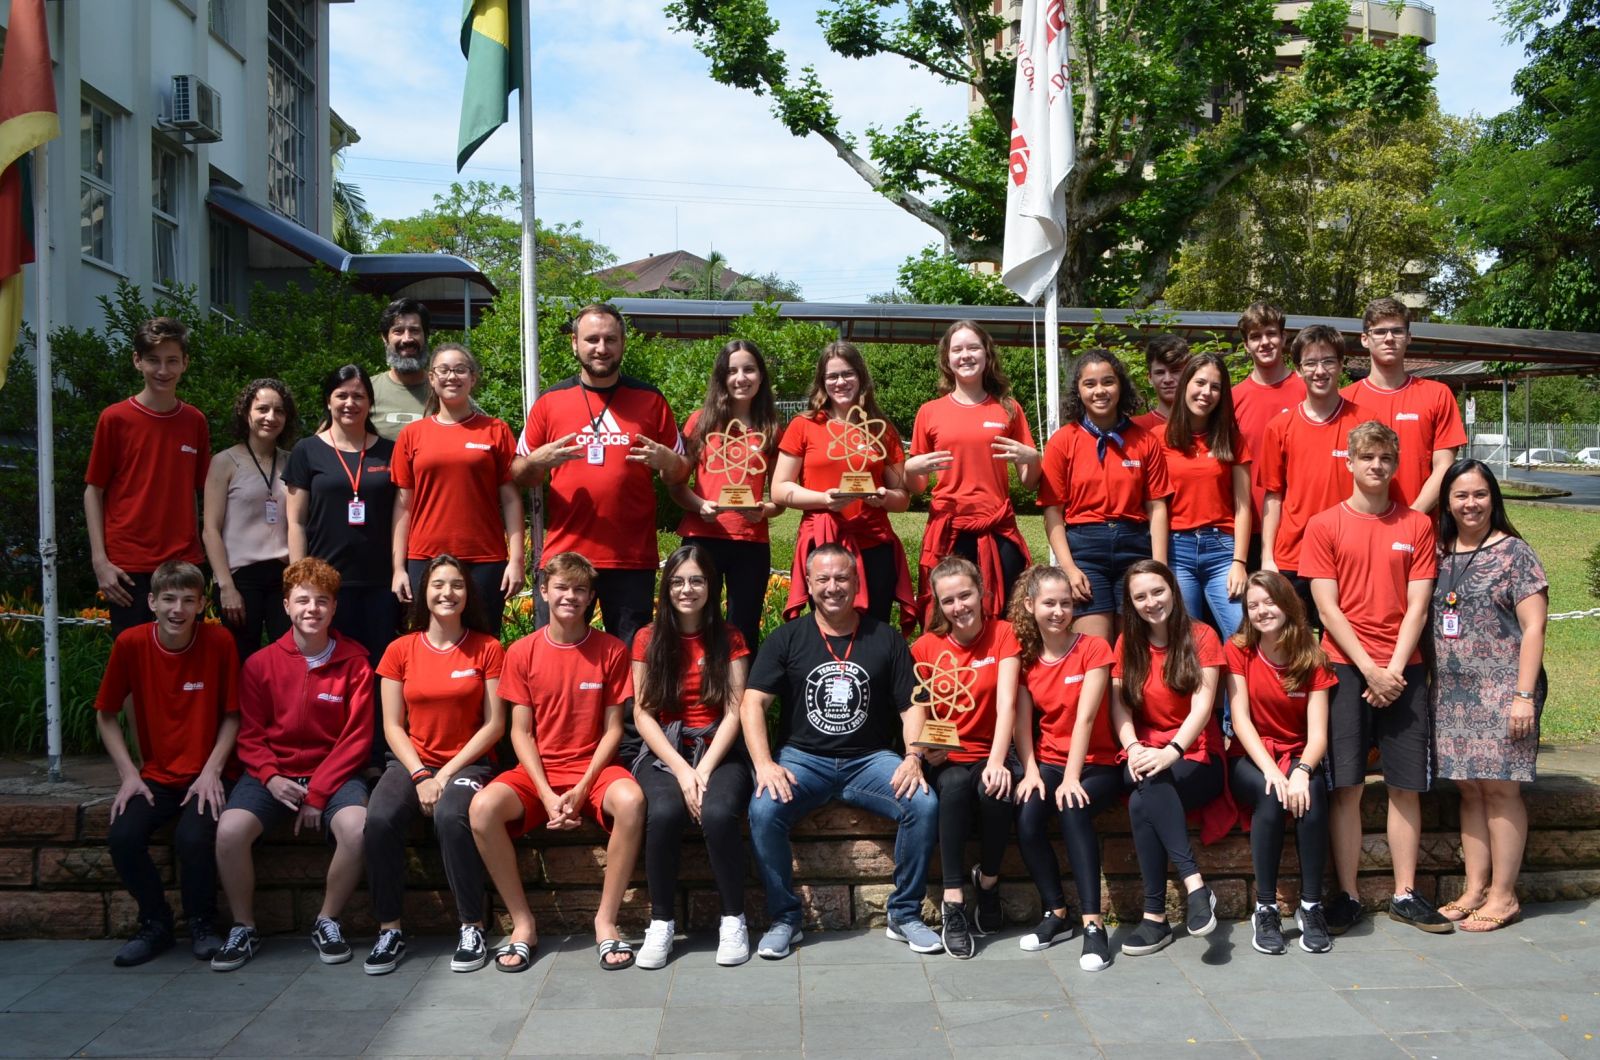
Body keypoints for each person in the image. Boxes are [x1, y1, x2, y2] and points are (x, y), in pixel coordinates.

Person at [742, 544, 939, 959]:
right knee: (763, 809)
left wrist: (912, 757)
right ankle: (785, 919)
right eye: (824, 579)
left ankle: (904, 914)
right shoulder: (788, 637)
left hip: (869, 759)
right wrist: (763, 764)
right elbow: (752, 703)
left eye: (842, 578)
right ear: (809, 585)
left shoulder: (884, 638)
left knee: (922, 803)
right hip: (803, 759)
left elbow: (912, 705)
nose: (833, 587)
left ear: (857, 583)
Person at [1302, 421, 1448, 935]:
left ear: (1396, 463)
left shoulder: (1416, 525)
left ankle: (1406, 894)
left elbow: (1418, 606)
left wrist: (1392, 670)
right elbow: (1326, 607)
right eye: (1367, 458)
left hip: (1403, 669)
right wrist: (1368, 668)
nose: (1377, 467)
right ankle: (1346, 894)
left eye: (1386, 458)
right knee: (1347, 788)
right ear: (1350, 462)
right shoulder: (1324, 525)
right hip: (1345, 666)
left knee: (1406, 786)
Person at [468, 552, 645, 971]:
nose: (571, 596)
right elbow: (519, 732)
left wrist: (583, 786)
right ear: (543, 592)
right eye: (562, 587)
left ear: (591, 598)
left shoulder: (611, 650)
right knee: (482, 809)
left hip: (594, 768)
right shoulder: (523, 651)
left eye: (580, 589)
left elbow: (614, 730)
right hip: (538, 772)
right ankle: (523, 923)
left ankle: (606, 921)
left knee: (633, 801)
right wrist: (547, 793)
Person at [211, 558, 374, 971]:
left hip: (333, 775)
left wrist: (317, 793)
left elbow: (356, 739)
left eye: (322, 601)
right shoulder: (261, 664)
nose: (312, 609)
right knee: (229, 832)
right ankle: (243, 926)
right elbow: (250, 735)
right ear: (285, 605)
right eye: (302, 600)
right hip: (272, 774)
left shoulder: (355, 661)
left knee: (357, 830)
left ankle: (327, 919)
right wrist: (271, 777)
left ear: (335, 607)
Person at [362, 554, 506, 975]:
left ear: (468, 594)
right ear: (424, 593)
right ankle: (389, 927)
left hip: (470, 764)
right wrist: (421, 773)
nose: (448, 593)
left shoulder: (488, 648)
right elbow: (391, 725)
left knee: (449, 815)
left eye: (457, 585)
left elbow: (495, 724)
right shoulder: (399, 650)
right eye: (438, 584)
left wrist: (444, 775)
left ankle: (471, 925)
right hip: (411, 762)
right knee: (381, 817)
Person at [514, 303, 689, 645]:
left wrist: (668, 461)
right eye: (592, 339)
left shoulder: (650, 400)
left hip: (631, 557)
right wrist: (539, 461)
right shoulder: (550, 401)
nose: (601, 348)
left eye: (610, 339)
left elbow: (680, 473)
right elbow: (518, 474)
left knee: (630, 660)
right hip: (567, 556)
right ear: (574, 344)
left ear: (623, 343)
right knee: (559, 656)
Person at [96, 560, 238, 966]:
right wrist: (128, 774)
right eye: (169, 599)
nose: (178, 609)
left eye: (188, 600)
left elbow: (233, 715)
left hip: (211, 772)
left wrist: (212, 771)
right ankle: (155, 925)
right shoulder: (131, 644)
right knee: (123, 836)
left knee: (193, 839)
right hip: (156, 775)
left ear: (202, 605)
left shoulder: (219, 642)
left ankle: (202, 924)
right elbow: (106, 713)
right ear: (152, 602)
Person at [1431, 460, 1547, 932]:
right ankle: (1475, 887)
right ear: (1447, 502)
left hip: (1504, 688)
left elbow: (1534, 626)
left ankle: (1504, 895)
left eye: (1479, 494)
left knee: (1501, 787)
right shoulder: (1440, 551)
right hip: (1453, 692)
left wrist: (1523, 695)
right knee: (1470, 788)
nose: (1470, 504)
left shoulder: (1515, 553)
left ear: (1493, 498)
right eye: (1461, 496)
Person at [630, 545, 754, 969]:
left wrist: (703, 768)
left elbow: (736, 710)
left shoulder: (731, 638)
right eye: (679, 581)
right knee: (664, 812)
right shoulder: (648, 638)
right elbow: (642, 712)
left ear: (711, 586)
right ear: (666, 588)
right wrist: (684, 770)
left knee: (718, 814)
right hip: (666, 747)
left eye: (697, 580)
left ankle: (733, 919)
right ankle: (661, 922)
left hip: (719, 747)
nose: (688, 589)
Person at [1110, 560, 1231, 956]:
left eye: (1158, 591)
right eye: (1140, 596)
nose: (1151, 602)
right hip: (1142, 751)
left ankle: (1155, 918)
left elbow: (1202, 707)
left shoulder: (1203, 636)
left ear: (1173, 591)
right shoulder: (1128, 642)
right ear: (1131, 603)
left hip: (1196, 752)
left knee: (1143, 797)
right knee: (1145, 781)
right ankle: (1196, 887)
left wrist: (1171, 752)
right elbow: (1121, 709)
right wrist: (1132, 748)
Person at [908, 556, 1021, 959]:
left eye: (966, 595)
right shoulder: (924, 647)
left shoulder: (1004, 634)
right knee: (953, 787)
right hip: (949, 758)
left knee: (996, 791)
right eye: (949, 600)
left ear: (982, 592)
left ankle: (988, 883)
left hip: (992, 751)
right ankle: (953, 899)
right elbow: (918, 712)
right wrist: (923, 749)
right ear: (939, 605)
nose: (959, 607)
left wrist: (997, 761)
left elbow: (1008, 703)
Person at [1010, 565, 1119, 970]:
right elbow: (1023, 723)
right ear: (1030, 605)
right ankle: (1056, 913)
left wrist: (1071, 777)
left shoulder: (1093, 648)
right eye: (1049, 603)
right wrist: (1033, 771)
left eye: (1066, 603)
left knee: (1073, 807)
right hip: (1051, 760)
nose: (1058, 611)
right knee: (1027, 816)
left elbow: (1087, 719)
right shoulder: (1025, 659)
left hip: (1098, 761)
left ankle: (1094, 925)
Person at [1226, 571, 1336, 956]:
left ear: (1287, 603)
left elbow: (1318, 734)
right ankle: (1266, 907)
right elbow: (1239, 721)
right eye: (1252, 605)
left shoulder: (1312, 655)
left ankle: (1310, 906)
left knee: (1314, 796)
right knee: (1271, 797)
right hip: (1251, 756)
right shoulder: (1238, 649)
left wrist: (1302, 772)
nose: (1261, 611)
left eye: (1269, 602)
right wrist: (1273, 771)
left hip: (1297, 755)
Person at [773, 342, 916, 629]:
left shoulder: (880, 428)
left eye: (848, 374)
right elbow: (779, 488)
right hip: (824, 546)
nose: (840, 382)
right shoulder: (804, 425)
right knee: (829, 630)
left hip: (873, 543)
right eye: (832, 376)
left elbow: (903, 499)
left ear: (861, 377)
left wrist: (884, 497)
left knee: (875, 631)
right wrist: (823, 499)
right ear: (822, 382)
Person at [84, 316, 209, 635]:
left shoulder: (194, 421)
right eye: (153, 360)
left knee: (183, 664)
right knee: (134, 667)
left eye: (172, 361)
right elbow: (93, 491)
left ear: (185, 364)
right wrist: (101, 562)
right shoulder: (115, 419)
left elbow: (201, 492)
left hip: (183, 563)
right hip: (128, 567)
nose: (163, 370)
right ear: (137, 361)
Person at [906, 320, 1037, 620]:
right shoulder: (930, 411)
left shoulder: (1009, 409)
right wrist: (910, 468)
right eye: (957, 349)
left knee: (1006, 615)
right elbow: (917, 486)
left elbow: (1029, 483)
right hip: (949, 531)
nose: (965, 355)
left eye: (973, 347)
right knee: (950, 616)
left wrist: (1033, 457)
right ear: (947, 360)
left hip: (997, 528)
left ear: (987, 355)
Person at [1038, 349, 1173, 642]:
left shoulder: (1145, 441)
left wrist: (1159, 568)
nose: (1100, 391)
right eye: (1090, 384)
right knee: (1095, 650)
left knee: (1134, 649)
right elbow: (1052, 513)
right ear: (1079, 390)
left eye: (1108, 382)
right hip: (1085, 552)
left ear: (1120, 386)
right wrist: (1069, 569)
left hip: (1135, 549)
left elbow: (1158, 507)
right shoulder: (1063, 441)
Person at [392, 343, 524, 638]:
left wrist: (516, 560)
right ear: (431, 378)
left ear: (473, 378)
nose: (452, 377)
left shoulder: (496, 430)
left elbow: (511, 499)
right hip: (425, 556)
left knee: (484, 641)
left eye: (460, 370)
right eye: (444, 370)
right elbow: (403, 505)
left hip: (485, 559)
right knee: (426, 641)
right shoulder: (412, 434)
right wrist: (398, 567)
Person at [1258, 326, 1377, 629]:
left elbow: (1377, 492)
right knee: (1291, 648)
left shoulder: (1364, 423)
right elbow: (1273, 496)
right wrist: (1268, 557)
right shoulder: (1279, 426)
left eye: (1328, 362)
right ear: (1298, 370)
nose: (1319, 371)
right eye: (1310, 363)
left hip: (1350, 556)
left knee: (1342, 646)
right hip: (1292, 556)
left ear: (1341, 365)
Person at [285, 365, 401, 671]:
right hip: (326, 585)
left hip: (380, 583)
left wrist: (399, 569)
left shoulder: (391, 452)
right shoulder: (306, 451)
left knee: (378, 667)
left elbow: (401, 516)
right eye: (342, 395)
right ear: (328, 400)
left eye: (359, 396)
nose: (350, 403)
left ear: (370, 402)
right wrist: (299, 578)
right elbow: (295, 522)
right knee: (330, 669)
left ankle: (376, 721)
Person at [672, 339, 783, 648]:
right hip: (701, 536)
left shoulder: (772, 428)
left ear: (761, 376)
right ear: (721, 377)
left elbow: (779, 498)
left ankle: (738, 695)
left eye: (749, 370)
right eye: (732, 371)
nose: (741, 378)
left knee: (743, 627)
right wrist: (699, 505)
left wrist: (763, 510)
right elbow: (677, 486)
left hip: (750, 541)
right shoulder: (700, 421)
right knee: (693, 622)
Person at [1341, 297, 1467, 513]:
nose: (1389, 338)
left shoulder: (1438, 395)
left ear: (1408, 337)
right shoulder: (1344, 401)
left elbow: (1444, 466)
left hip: (1420, 528)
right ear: (1364, 339)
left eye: (1397, 331)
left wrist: (1412, 519)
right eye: (1380, 332)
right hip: (1358, 531)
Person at [202, 379, 295, 662]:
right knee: (240, 659)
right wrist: (225, 585)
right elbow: (210, 530)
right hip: (241, 578)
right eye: (262, 409)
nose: (271, 417)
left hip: (283, 575)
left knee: (287, 657)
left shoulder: (293, 461)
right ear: (246, 413)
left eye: (279, 411)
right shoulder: (225, 461)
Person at [1160, 352, 1251, 637]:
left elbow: (1244, 506)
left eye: (1215, 387)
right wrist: (1160, 565)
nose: (1206, 393)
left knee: (1242, 632)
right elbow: (1155, 508)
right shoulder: (1157, 438)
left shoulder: (1231, 438)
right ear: (1186, 384)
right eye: (1200, 383)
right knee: (1188, 638)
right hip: (1177, 550)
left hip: (1222, 551)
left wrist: (1239, 562)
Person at [1230, 302, 1305, 570]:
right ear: (1246, 344)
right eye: (1255, 336)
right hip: (1247, 529)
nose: (1265, 342)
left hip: (1298, 526)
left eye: (1271, 333)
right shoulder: (1232, 398)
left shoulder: (1307, 391)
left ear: (1284, 338)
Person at [370, 297, 433, 442]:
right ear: (385, 338)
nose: (407, 339)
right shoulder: (365, 391)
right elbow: (328, 440)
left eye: (415, 330)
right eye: (398, 331)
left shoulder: (446, 390)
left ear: (426, 336)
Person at [1134, 335, 1191, 432]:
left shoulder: (1203, 425)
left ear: (1189, 373)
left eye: (1175, 371)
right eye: (1160, 372)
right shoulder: (1136, 427)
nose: (1168, 379)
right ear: (1150, 378)